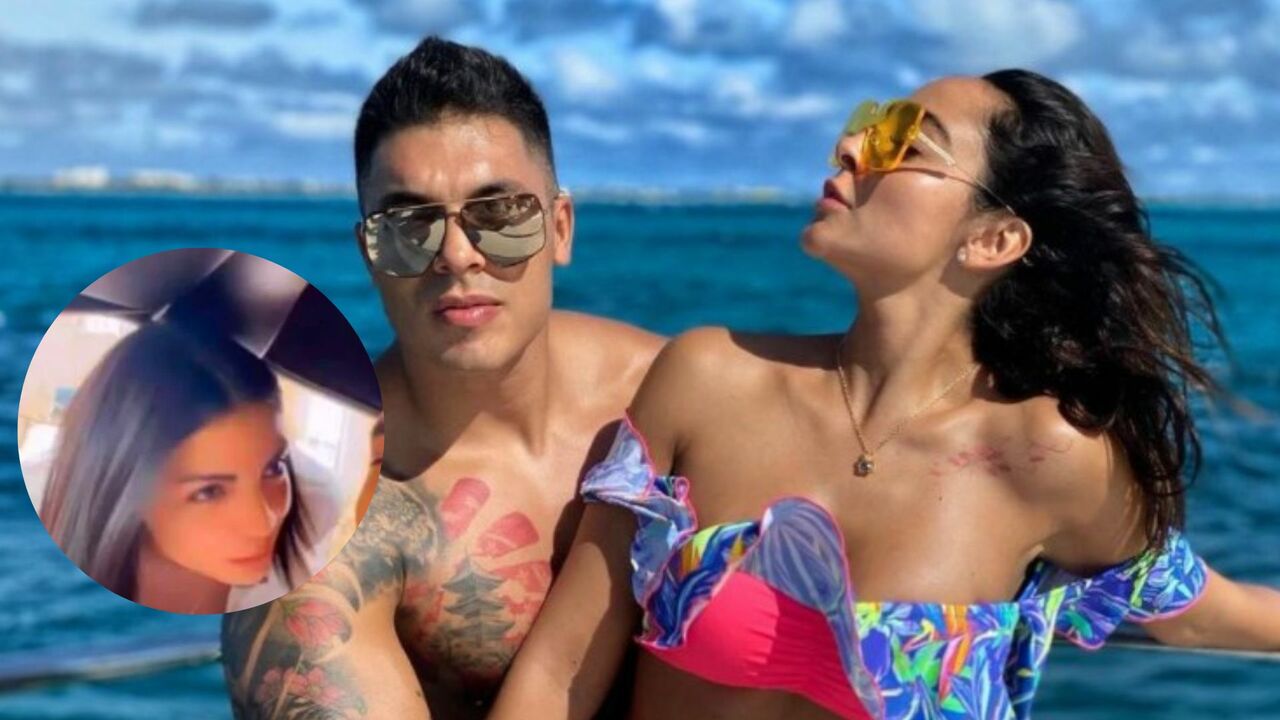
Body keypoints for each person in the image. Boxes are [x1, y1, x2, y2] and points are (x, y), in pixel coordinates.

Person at [491, 70, 1280, 719]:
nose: (850, 147)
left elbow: (1199, 613)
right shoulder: (707, 380)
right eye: (868, 125)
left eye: (905, 142)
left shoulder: (1050, 456)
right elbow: (558, 677)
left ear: (993, 238)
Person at [220, 37, 662, 719]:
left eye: (499, 214)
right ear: (370, 254)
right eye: (408, 226)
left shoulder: (673, 397)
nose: (456, 255)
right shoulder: (321, 514)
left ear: (561, 228)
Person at [38, 321, 311, 614]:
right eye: (209, 492)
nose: (263, 523)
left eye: (273, 469)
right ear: (124, 491)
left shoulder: (319, 522)